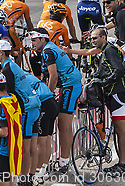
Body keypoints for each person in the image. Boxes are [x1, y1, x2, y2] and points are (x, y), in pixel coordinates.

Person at [30, 28, 82, 173]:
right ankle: (63, 160)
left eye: (34, 40)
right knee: (62, 124)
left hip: (70, 86)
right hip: (69, 85)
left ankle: (64, 161)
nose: (32, 43)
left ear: (43, 39)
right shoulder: (50, 47)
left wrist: (46, 95)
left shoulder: (47, 51)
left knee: (63, 125)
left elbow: (53, 77)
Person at [0, 40, 41, 183]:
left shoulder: (7, 69)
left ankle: (24, 180)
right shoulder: (11, 65)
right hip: (33, 106)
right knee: (31, 146)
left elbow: (9, 94)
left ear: (2, 52)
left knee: (24, 147)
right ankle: (30, 177)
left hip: (26, 109)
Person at [88, 27, 125, 176]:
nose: (93, 40)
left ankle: (123, 165)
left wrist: (103, 81)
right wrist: (95, 77)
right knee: (118, 130)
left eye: (95, 38)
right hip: (112, 94)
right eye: (91, 38)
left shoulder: (110, 50)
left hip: (118, 94)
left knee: (120, 130)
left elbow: (118, 71)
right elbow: (104, 69)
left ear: (104, 37)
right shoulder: (105, 51)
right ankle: (121, 163)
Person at [0, 72, 23, 186]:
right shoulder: (12, 99)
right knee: (10, 182)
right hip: (13, 148)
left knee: (2, 183)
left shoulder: (3, 105)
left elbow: (4, 131)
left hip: (4, 150)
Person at [0, 0, 34, 65]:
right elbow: (29, 25)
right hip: (9, 29)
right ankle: (18, 73)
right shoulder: (24, 6)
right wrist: (31, 31)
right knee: (17, 51)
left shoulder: (6, 1)